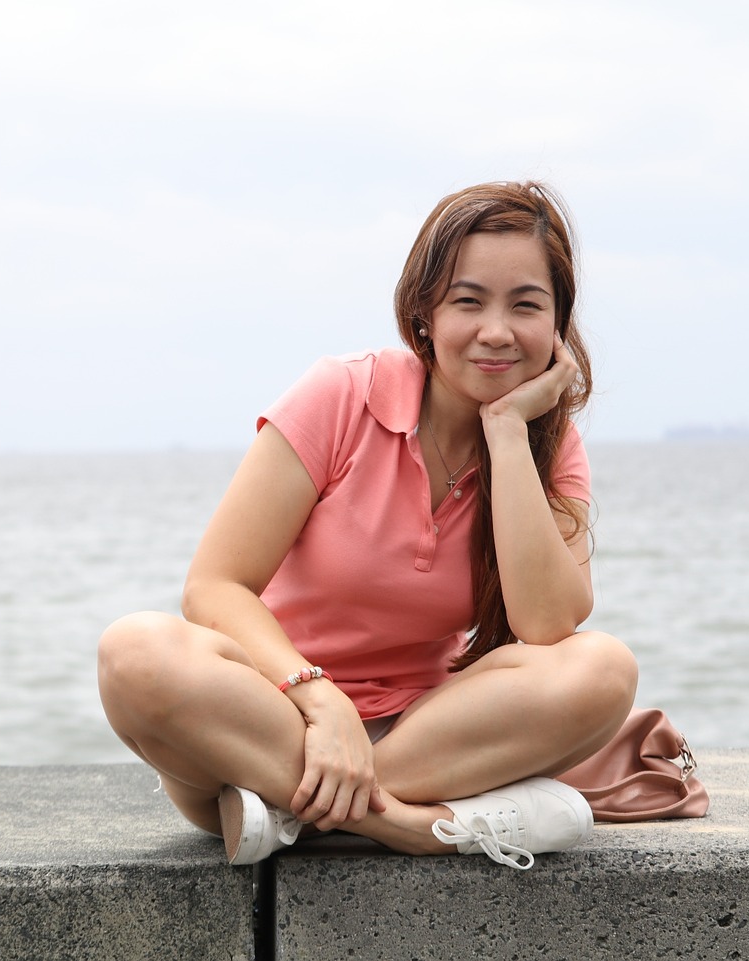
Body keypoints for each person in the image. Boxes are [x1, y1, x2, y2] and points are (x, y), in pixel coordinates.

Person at [97, 181, 638, 870]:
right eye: (468, 301)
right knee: (134, 653)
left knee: (604, 668)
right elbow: (215, 586)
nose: (497, 330)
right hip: (266, 720)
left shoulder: (546, 443)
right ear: (424, 314)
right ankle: (406, 824)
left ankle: (302, 816)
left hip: (426, 739)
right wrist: (320, 702)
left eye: (526, 305)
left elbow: (546, 625)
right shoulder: (341, 394)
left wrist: (505, 432)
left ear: (558, 323)